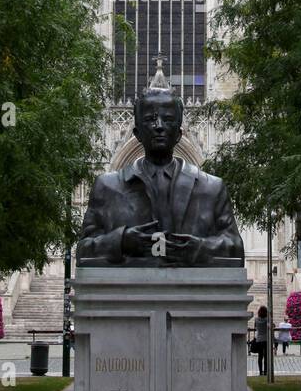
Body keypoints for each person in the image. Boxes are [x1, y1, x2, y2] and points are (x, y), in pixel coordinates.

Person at [77, 78, 244, 266]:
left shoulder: (212, 188)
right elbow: (83, 251)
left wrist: (198, 249)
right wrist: (121, 241)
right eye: (149, 119)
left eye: (168, 119)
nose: (159, 126)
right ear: (137, 133)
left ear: (180, 133)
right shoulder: (106, 186)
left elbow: (235, 250)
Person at [253, 306, 268, 376]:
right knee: (266, 356)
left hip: (259, 339)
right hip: (266, 339)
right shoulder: (267, 319)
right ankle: (265, 371)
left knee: (260, 356)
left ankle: (260, 371)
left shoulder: (256, 319)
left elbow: (255, 328)